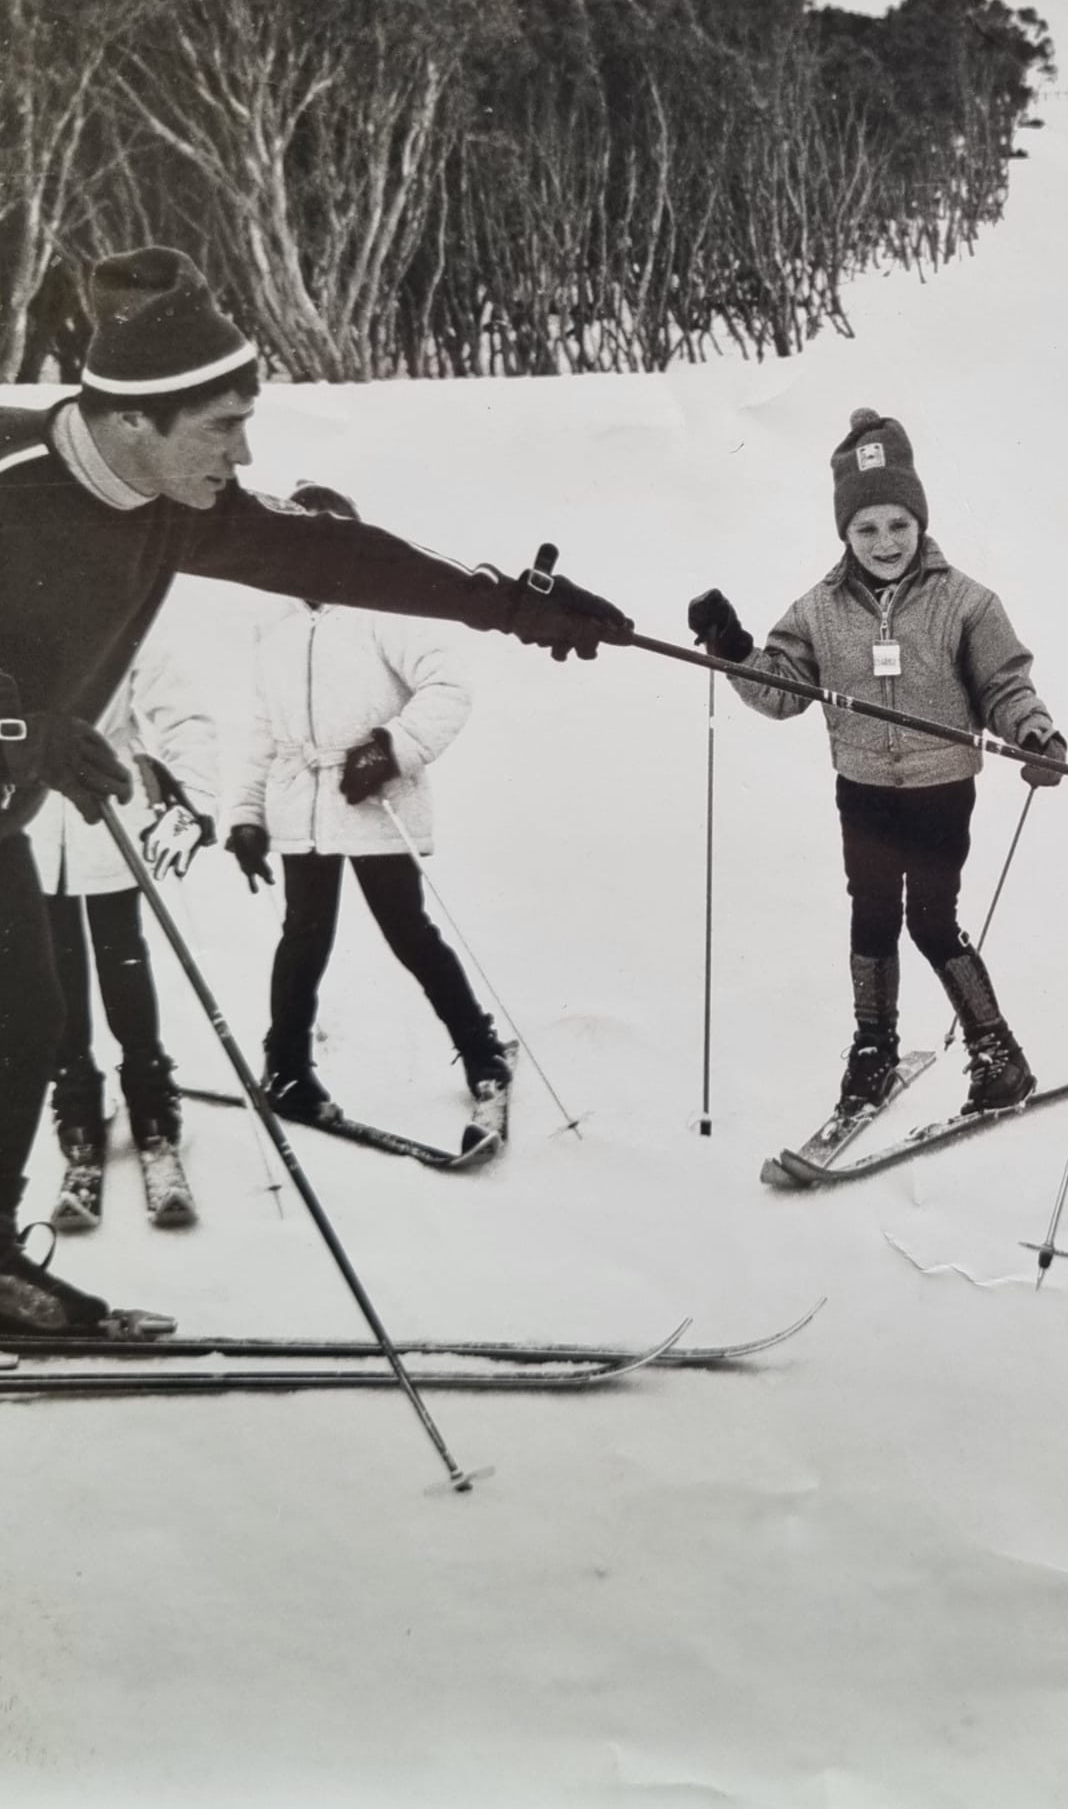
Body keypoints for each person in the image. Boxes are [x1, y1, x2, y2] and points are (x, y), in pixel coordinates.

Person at [0, 246, 631, 1334]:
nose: (244, 451)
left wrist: (512, 606)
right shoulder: (18, 491)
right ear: (136, 420)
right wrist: (25, 729)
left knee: (25, 1017)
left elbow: (339, 557)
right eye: (223, 425)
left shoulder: (176, 495)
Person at [687, 408, 1066, 1121]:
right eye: (866, 529)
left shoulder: (966, 602)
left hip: (939, 788)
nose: (885, 542)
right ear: (845, 533)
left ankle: (997, 1051)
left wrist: (1035, 732)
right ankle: (873, 1046)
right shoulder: (820, 610)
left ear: (920, 520)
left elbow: (1004, 683)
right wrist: (732, 647)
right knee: (870, 918)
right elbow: (779, 690)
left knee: (930, 919)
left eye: (898, 524)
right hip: (861, 789)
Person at [223, 484, 511, 1142]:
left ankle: (483, 1052)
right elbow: (264, 730)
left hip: (377, 797)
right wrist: (245, 815)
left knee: (408, 930)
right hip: (303, 801)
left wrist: (389, 749)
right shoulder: (276, 623)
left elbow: (448, 686)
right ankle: (288, 1069)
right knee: (304, 938)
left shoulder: (386, 609)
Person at [30, 639, 217, 1231]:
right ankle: (78, 1109)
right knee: (54, 973)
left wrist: (188, 794)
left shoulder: (123, 609)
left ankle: (151, 1108)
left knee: (122, 962)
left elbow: (182, 716)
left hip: (109, 817)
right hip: (30, 827)